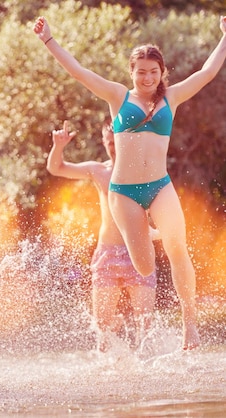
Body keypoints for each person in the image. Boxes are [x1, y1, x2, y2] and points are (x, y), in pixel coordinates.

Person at [34, 15, 226, 349]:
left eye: (154, 71)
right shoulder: (117, 97)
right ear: (132, 72)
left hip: (159, 185)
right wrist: (49, 40)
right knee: (144, 264)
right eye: (141, 71)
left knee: (178, 247)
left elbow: (207, 72)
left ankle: (190, 328)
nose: (148, 77)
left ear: (162, 72)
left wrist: (224, 36)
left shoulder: (172, 98)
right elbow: (78, 72)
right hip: (123, 193)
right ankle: (152, 234)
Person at [48, 119, 158, 351]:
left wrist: (163, 233)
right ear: (104, 141)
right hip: (108, 254)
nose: (113, 147)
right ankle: (106, 373)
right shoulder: (99, 171)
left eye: (117, 142)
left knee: (145, 326)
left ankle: (147, 372)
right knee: (102, 327)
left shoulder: (146, 171)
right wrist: (58, 146)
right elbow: (56, 168)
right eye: (109, 142)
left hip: (139, 254)